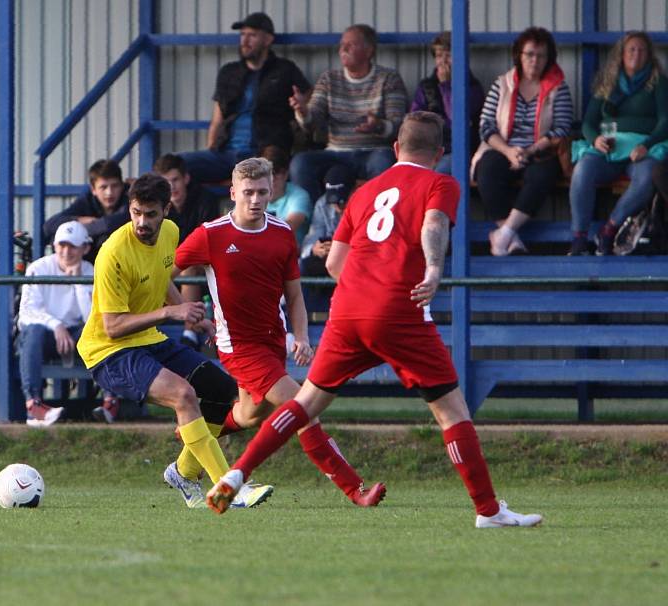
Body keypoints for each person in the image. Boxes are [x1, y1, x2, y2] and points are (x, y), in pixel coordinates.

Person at [206, 112, 544, 530]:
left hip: (347, 311)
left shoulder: (366, 191)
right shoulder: (440, 183)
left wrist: (364, 290)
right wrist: (434, 269)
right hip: (399, 312)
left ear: (396, 149)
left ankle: (236, 474)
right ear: (438, 154)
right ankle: (488, 511)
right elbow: (435, 223)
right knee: (453, 412)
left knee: (305, 404)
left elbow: (334, 262)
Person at [172, 157, 385, 508]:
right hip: (239, 346)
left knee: (248, 414)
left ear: (272, 191)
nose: (255, 200)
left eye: (262, 192)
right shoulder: (211, 234)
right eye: (248, 193)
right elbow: (169, 272)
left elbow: (295, 294)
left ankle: (193, 442)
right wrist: (183, 310)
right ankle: (355, 489)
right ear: (233, 192)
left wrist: (300, 336)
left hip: (274, 342)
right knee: (303, 407)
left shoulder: (282, 233)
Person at [76, 173, 272, 508]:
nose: (142, 222)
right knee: (183, 395)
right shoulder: (112, 253)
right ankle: (230, 488)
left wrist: (191, 313)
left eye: (150, 214)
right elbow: (112, 327)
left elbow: (162, 277)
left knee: (223, 393)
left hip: (148, 338)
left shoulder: (170, 232)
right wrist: (171, 314)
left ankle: (183, 472)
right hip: (109, 352)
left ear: (166, 209)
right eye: (136, 212)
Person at [471, 27, 573, 256]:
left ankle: (505, 233)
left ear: (549, 58)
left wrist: (529, 151)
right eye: (529, 54)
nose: (535, 61)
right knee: (486, 170)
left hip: (542, 150)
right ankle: (511, 237)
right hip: (503, 147)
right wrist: (509, 151)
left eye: (541, 55)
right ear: (519, 55)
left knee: (542, 175)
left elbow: (562, 128)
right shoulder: (502, 84)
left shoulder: (558, 88)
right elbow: (486, 125)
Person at [180, 12, 311, 184]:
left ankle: (235, 180)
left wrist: (301, 106)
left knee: (267, 173)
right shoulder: (229, 72)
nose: (245, 41)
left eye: (252, 35)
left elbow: (309, 94)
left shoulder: (285, 70)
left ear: (268, 40)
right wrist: (211, 149)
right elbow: (217, 119)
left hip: (264, 153)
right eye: (242, 35)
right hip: (226, 153)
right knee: (177, 165)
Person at [568, 31, 668, 256]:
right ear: (621, 54)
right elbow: (588, 122)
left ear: (649, 56)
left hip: (641, 150)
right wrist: (595, 139)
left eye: (642, 50)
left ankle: (609, 229)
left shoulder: (658, 82)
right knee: (583, 169)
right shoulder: (608, 83)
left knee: (648, 176)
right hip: (609, 148)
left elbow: (665, 120)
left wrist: (647, 144)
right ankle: (579, 238)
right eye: (631, 49)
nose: (637, 54)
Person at [288, 24, 407, 203]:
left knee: (385, 161)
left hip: (372, 151)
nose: (343, 49)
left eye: (351, 44)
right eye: (342, 44)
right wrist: (303, 112)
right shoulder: (329, 79)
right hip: (335, 151)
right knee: (301, 163)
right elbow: (312, 122)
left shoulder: (388, 79)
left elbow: (398, 125)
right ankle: (313, 223)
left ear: (369, 51)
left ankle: (378, 221)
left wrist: (378, 125)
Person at [17, 221, 94, 427]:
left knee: (101, 333)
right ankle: (33, 405)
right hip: (48, 335)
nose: (66, 251)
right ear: (55, 246)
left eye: (73, 246)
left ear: (85, 248)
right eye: (62, 245)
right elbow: (27, 312)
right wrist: (56, 325)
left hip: (77, 335)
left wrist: (78, 281)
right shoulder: (39, 268)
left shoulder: (90, 271)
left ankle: (110, 401)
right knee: (33, 332)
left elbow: (92, 318)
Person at [153, 153, 220, 350]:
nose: (172, 187)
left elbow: (207, 244)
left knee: (187, 269)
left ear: (186, 178)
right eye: (166, 182)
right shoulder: (156, 207)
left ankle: (190, 330)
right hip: (165, 265)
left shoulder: (205, 199)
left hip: (200, 264)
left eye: (175, 180)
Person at [409, 32, 484, 175]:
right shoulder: (427, 86)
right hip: (429, 148)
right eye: (438, 56)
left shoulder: (472, 86)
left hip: (458, 151)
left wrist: (445, 85)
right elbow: (414, 119)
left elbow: (456, 119)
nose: (443, 61)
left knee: (440, 171)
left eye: (448, 56)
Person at [43, 159, 129, 263]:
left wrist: (86, 227)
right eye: (103, 187)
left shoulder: (130, 197)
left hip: (121, 261)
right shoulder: (87, 200)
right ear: (93, 189)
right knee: (59, 237)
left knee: (106, 239)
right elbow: (49, 226)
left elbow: (119, 220)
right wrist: (78, 220)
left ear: (122, 186)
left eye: (115, 186)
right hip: (87, 263)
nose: (109, 193)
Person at [299, 163, 357, 311]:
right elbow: (312, 238)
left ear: (354, 190)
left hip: (357, 258)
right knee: (304, 265)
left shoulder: (365, 201)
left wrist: (345, 249)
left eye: (342, 201)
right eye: (334, 202)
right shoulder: (323, 204)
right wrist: (315, 248)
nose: (338, 206)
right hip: (331, 259)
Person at [260, 145, 312, 247]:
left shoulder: (300, 195)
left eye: (276, 173)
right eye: (267, 174)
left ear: (286, 174)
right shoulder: (251, 195)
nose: (272, 179)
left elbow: (289, 226)